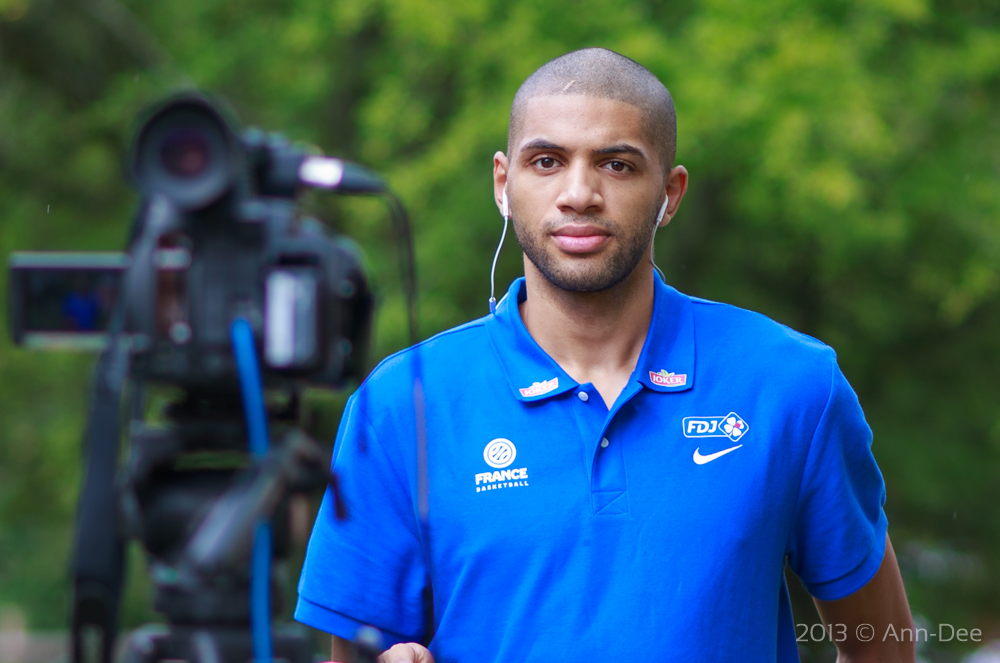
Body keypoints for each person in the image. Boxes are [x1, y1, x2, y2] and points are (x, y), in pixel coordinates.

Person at [295, 48, 915, 662]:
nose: (579, 193)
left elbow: (883, 648)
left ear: (670, 194)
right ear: (503, 185)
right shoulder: (402, 403)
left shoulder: (792, 385)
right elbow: (354, 655)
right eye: (546, 161)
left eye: (617, 165)